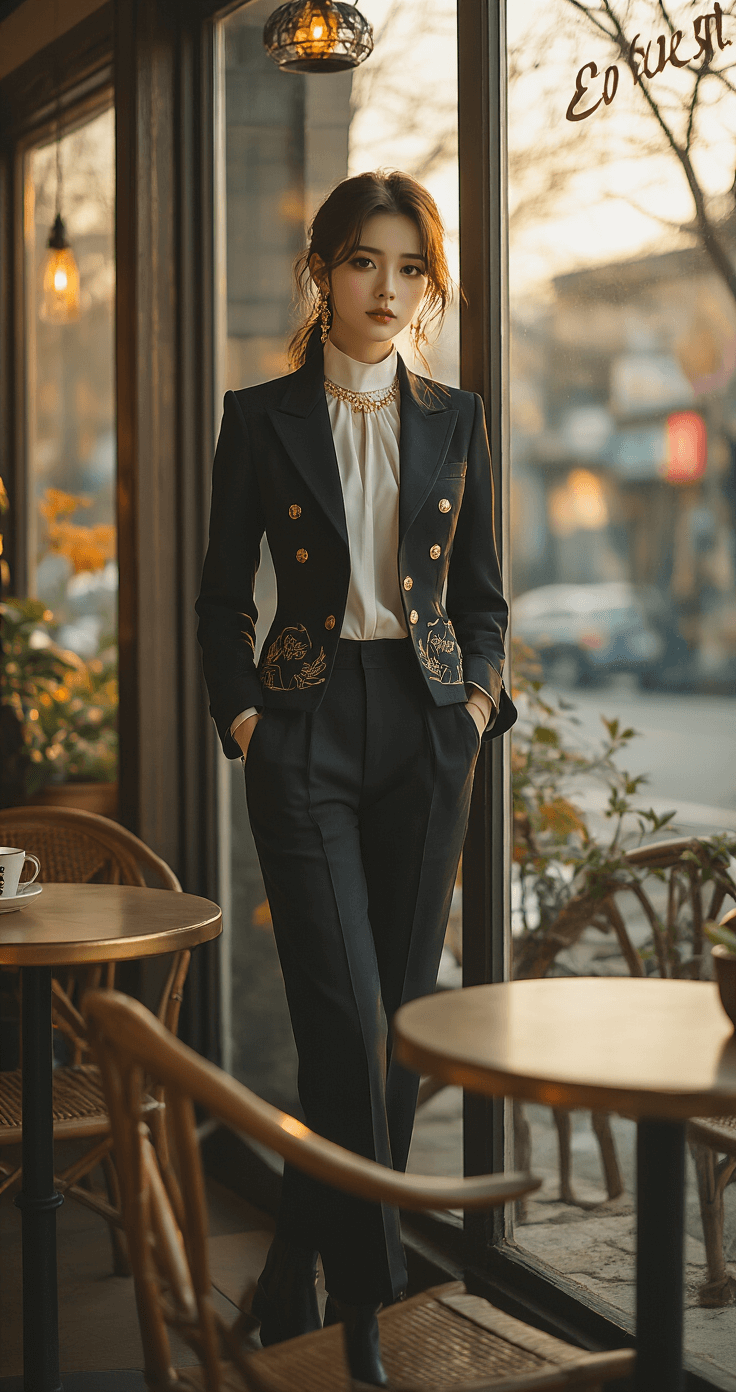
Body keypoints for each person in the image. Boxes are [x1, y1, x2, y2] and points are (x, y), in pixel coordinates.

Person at [196, 169, 516, 1386]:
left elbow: (482, 599)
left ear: (428, 284)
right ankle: (372, 1315)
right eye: (365, 262)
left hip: (430, 727)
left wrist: (475, 703)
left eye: (410, 267)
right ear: (323, 271)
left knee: (387, 1032)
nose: (389, 288)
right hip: (305, 727)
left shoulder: (459, 416)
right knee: (340, 1016)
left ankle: (287, 1280)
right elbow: (221, 601)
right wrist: (244, 726)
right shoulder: (260, 414)